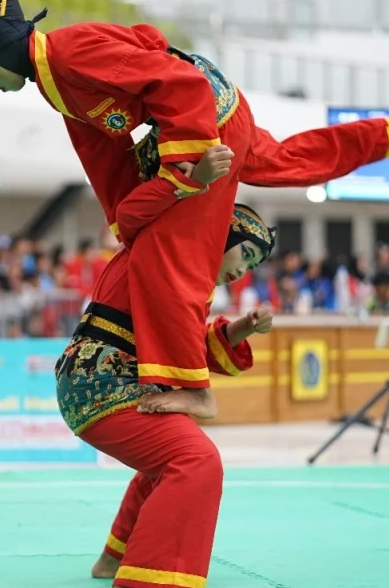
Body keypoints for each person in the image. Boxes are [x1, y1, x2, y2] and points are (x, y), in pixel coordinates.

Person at [0, 0, 389, 416]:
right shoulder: (56, 76)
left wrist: (185, 172)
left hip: (204, 118)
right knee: (289, 161)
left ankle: (194, 389)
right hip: (222, 111)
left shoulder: (70, 54)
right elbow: (102, 152)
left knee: (165, 253)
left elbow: (180, 82)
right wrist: (125, 216)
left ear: (2, 48)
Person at [57, 198, 277, 588]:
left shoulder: (183, 270)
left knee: (170, 455)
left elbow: (183, 344)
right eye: (245, 254)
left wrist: (242, 327)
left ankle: (114, 559)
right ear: (220, 234)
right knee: (195, 458)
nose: (243, 270)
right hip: (101, 383)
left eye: (252, 265)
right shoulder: (166, 252)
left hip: (94, 380)